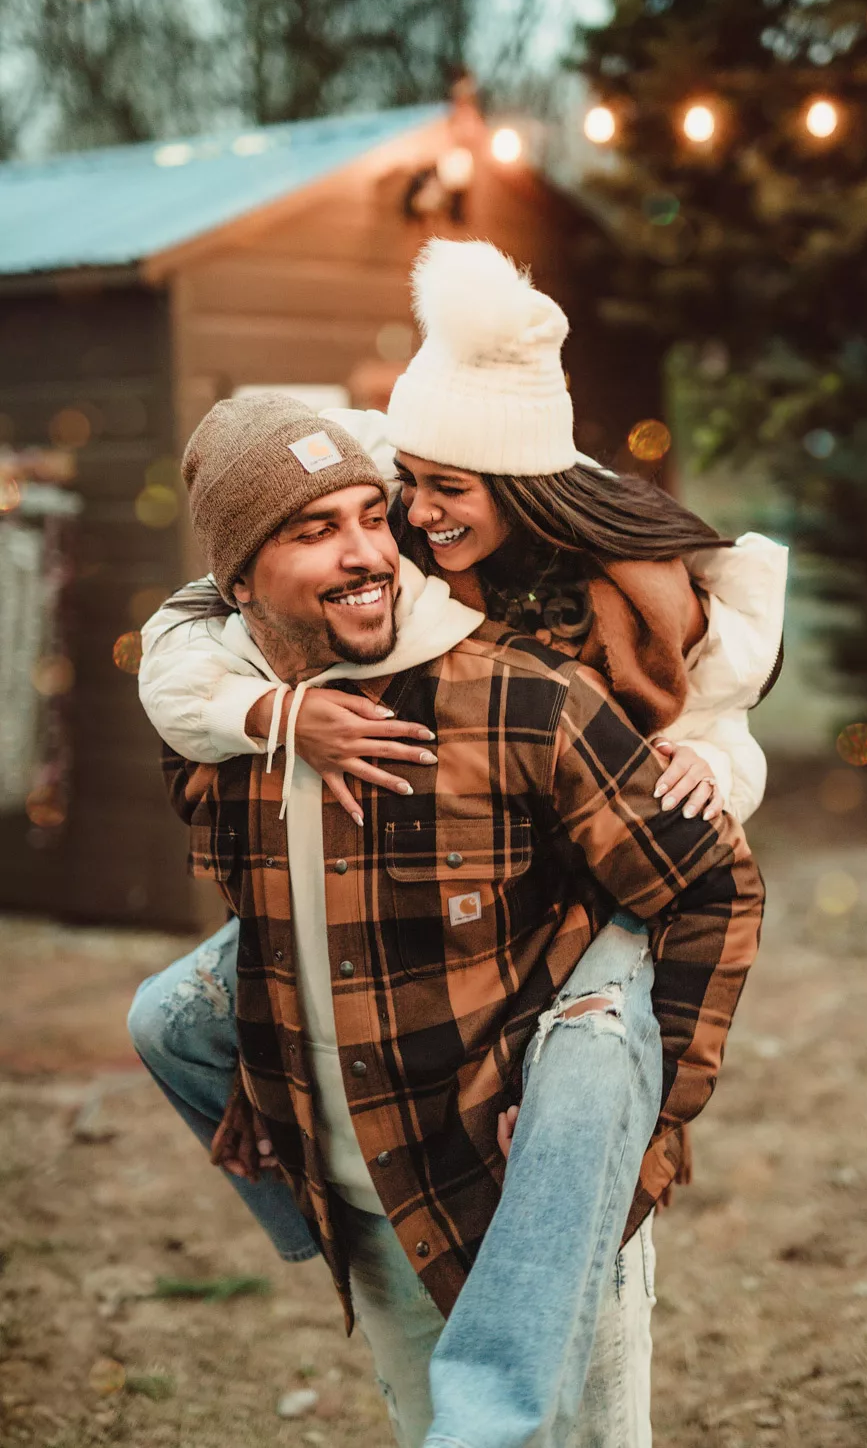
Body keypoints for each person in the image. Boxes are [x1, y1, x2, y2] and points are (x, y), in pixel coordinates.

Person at [131, 245, 781, 1445]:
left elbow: (709, 733)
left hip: (584, 934)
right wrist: (269, 1075)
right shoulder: (273, 673)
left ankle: (573, 1216)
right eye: (393, 495)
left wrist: (717, 763)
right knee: (169, 1015)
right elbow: (187, 645)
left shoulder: (571, 631)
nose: (400, 531)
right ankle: (298, 1171)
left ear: (514, 492)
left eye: (394, 510)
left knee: (590, 1061)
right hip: (375, 1154)